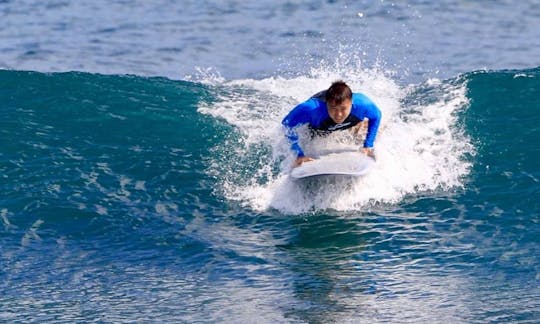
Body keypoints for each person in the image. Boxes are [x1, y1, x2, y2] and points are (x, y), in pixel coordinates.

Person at [282, 81, 382, 166]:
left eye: (343, 109)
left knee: (369, 131)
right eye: (333, 108)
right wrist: (299, 154)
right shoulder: (311, 109)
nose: (338, 114)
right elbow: (287, 124)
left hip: (351, 122)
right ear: (326, 104)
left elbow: (376, 116)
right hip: (319, 127)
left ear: (351, 103)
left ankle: (361, 131)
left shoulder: (363, 104)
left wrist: (368, 145)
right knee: (311, 141)